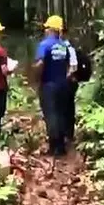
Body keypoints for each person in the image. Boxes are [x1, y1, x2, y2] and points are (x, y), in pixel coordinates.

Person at [33, 15, 75, 156]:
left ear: (51, 29)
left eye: (46, 28)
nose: (45, 31)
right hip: (63, 85)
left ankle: (54, 147)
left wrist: (35, 75)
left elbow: (40, 64)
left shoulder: (45, 45)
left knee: (51, 115)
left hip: (48, 85)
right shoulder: (64, 46)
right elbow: (70, 66)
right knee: (61, 114)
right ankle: (61, 147)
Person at [60, 27, 78, 143]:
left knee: (67, 108)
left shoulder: (68, 48)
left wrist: (65, 77)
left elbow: (74, 66)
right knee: (65, 109)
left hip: (67, 82)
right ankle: (64, 133)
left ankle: (67, 134)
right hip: (63, 82)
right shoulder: (58, 47)